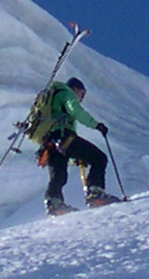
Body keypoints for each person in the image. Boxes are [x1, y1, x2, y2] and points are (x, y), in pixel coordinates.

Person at [30, 76, 121, 213]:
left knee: (58, 175)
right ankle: (95, 193)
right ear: (75, 89)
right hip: (64, 137)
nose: (81, 98)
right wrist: (96, 125)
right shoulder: (67, 93)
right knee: (99, 158)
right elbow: (76, 110)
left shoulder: (53, 99)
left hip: (49, 144)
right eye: (82, 94)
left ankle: (54, 202)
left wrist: (75, 157)